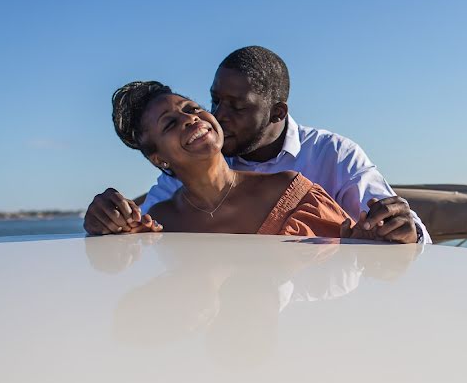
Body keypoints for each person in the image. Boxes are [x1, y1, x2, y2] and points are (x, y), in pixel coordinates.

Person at [85, 46, 429, 243]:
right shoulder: (171, 192)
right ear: (160, 160)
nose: (216, 114)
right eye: (214, 101)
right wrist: (106, 220)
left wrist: (404, 231)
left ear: (277, 112)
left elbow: (386, 237)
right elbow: (135, 233)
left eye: (237, 106)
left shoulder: (331, 157)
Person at [106, 80, 383, 240]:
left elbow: (353, 265)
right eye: (170, 124)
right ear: (160, 160)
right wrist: (102, 222)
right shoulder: (161, 222)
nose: (191, 118)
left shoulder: (291, 192)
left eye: (193, 108)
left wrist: (383, 233)